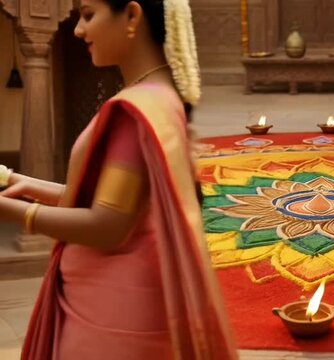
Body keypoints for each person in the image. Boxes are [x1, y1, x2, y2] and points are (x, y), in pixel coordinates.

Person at [0, 0, 237, 357]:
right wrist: (26, 184)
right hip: (121, 299)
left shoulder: (135, 109)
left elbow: (108, 223)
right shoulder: (159, 97)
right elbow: (116, 202)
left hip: (111, 315)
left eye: (88, 14)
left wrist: (13, 212)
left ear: (131, 16)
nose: (79, 30)